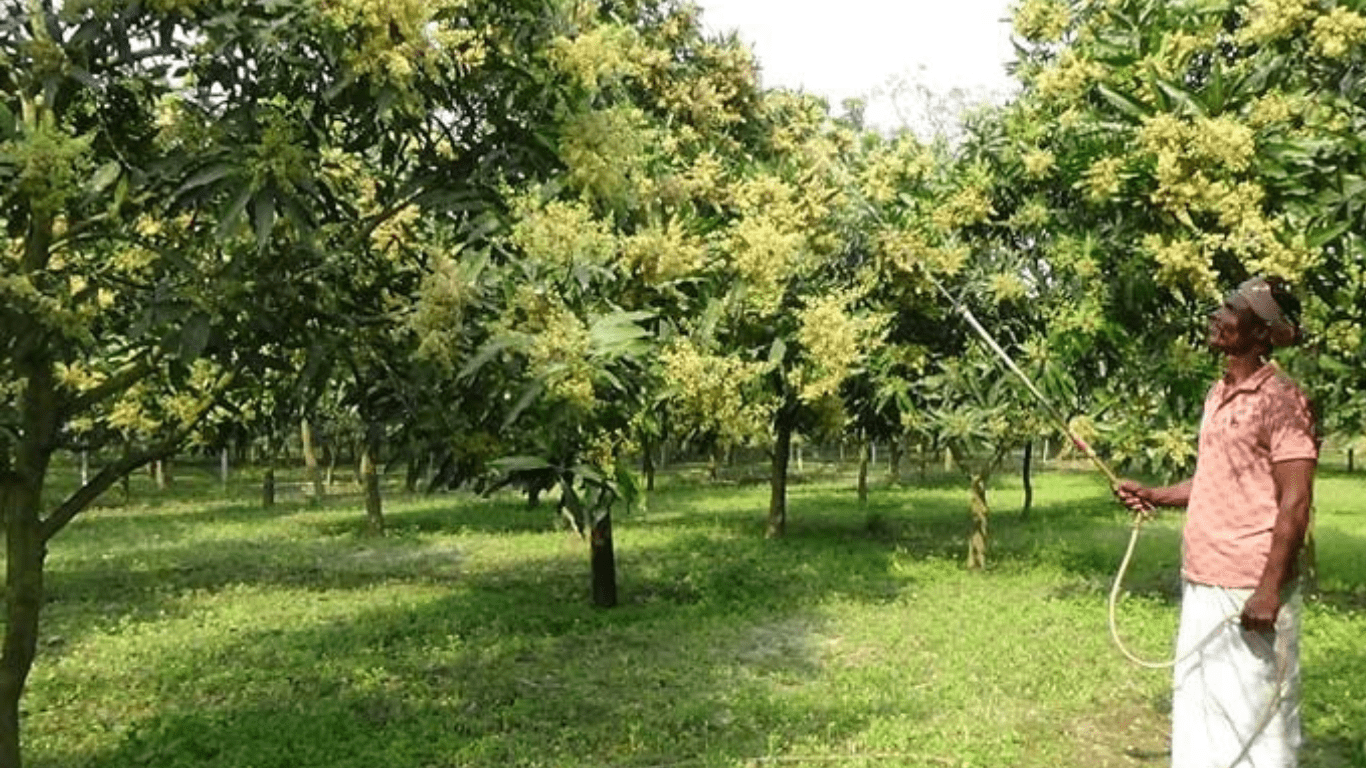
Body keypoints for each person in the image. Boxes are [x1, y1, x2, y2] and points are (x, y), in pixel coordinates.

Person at [1115, 276, 1317, 768]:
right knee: (1202, 708)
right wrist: (1155, 494)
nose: (1217, 316)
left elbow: (1296, 501)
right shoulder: (1217, 393)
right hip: (1204, 575)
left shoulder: (1283, 400)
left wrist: (1269, 590)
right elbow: (1213, 480)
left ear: (1262, 333)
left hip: (1248, 586)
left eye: (1232, 309)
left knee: (1255, 717)